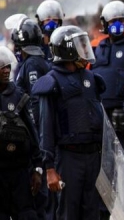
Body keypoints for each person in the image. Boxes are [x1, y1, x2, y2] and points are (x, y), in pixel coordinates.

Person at [32, 25, 105, 220]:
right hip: (68, 158)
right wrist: (49, 169)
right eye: (79, 45)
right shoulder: (52, 82)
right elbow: (45, 129)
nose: (84, 49)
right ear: (67, 50)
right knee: (68, 213)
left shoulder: (91, 78)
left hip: (93, 157)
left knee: (92, 212)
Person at [90, 0, 124, 220]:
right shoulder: (99, 48)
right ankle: (103, 213)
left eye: (121, 22)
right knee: (105, 169)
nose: (117, 26)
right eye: (113, 22)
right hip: (103, 120)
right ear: (105, 24)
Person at [10, 17, 52, 219]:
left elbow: (35, 103)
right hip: (39, 137)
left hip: (38, 139)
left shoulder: (32, 63)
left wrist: (34, 136)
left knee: (37, 198)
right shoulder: (35, 61)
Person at [0, 46, 42, 220]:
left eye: (8, 66)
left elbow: (33, 135)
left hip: (20, 173)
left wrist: (38, 169)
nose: (6, 70)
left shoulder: (18, 95)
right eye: (2, 67)